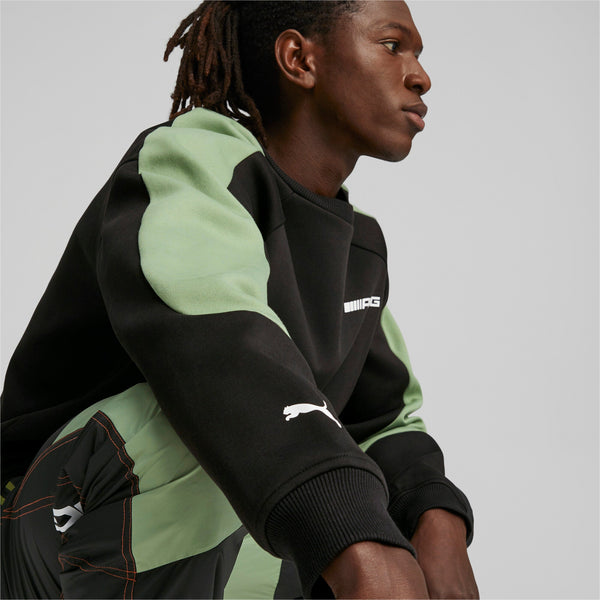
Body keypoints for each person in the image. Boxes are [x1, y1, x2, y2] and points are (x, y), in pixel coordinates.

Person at [1, 1, 478, 598]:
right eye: (392, 45)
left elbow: (382, 418)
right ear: (299, 59)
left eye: (419, 55)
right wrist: (357, 541)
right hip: (43, 526)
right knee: (261, 443)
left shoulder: (357, 247)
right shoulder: (190, 164)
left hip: (177, 550)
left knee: (331, 471)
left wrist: (434, 517)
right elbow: (220, 354)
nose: (420, 76)